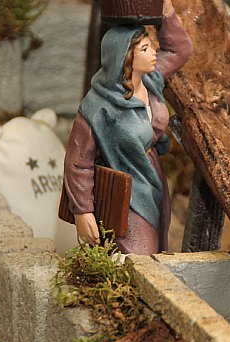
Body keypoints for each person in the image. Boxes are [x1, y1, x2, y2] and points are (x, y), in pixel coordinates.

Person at [63, 0, 192, 255]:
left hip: (152, 178)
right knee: (137, 253)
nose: (154, 52)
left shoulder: (151, 81)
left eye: (151, 45)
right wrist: (82, 211)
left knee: (157, 245)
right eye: (145, 48)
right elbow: (77, 163)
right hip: (126, 192)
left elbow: (179, 50)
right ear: (125, 58)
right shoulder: (98, 107)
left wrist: (165, 11)